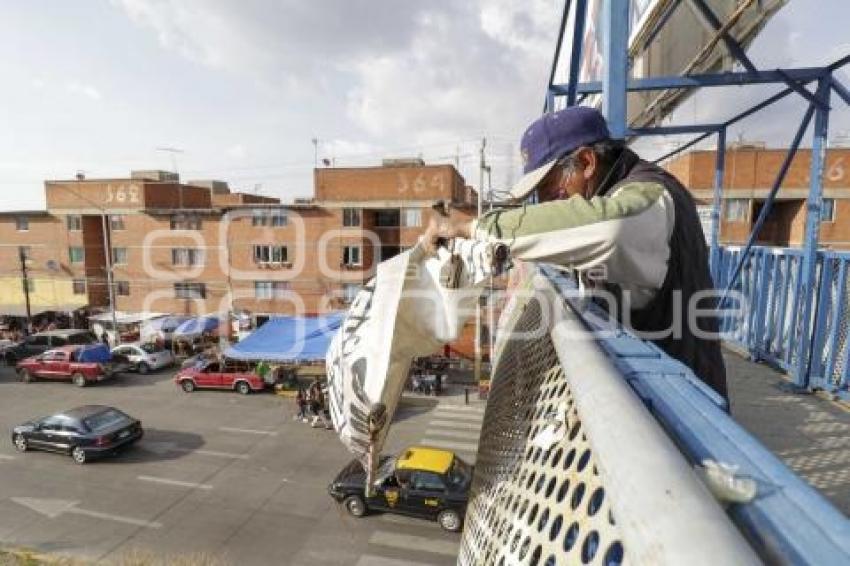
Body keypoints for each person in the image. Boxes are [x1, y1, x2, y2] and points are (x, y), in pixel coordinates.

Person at [423, 106, 727, 401]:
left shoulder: (650, 196)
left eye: (550, 187)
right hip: (663, 402)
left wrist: (471, 226)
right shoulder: (626, 192)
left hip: (690, 424)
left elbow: (608, 227)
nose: (544, 203)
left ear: (587, 162)